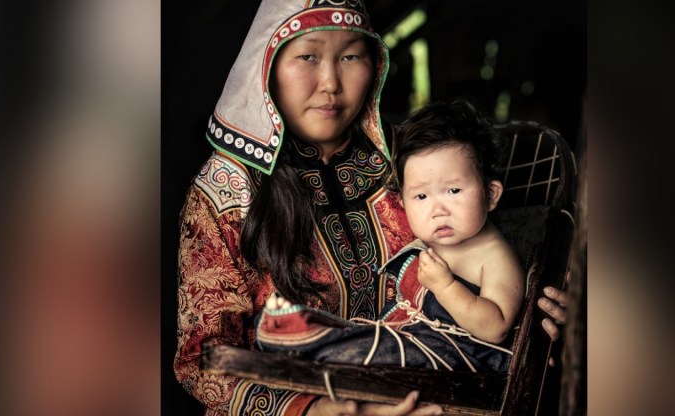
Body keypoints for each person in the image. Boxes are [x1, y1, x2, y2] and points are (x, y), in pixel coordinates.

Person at [175, 0, 567, 414]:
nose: (330, 82)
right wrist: (319, 410)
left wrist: (539, 327)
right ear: (267, 65)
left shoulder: (415, 163)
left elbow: (489, 275)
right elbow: (201, 361)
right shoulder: (225, 191)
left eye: (350, 56)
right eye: (308, 56)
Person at [256, 99, 524, 373]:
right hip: (406, 336)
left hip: (458, 359)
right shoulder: (432, 240)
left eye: (453, 191)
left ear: (491, 195)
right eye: (421, 196)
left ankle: (314, 346)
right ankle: (303, 333)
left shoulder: (495, 255)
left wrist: (446, 287)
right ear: (403, 203)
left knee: (373, 353)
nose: (438, 210)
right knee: (361, 338)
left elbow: (496, 328)